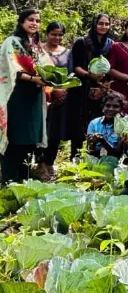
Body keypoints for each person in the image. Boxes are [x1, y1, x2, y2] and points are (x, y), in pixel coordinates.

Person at [0, 9, 49, 183]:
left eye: (37, 20)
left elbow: (47, 67)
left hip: (34, 97)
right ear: (21, 22)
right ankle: (8, 180)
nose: (34, 23)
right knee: (15, 138)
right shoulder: (12, 42)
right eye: (30, 19)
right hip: (17, 96)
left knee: (29, 139)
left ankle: (24, 179)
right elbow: (12, 69)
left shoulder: (36, 45)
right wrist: (34, 78)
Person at [69, 13, 114, 158]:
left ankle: (95, 158)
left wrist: (103, 88)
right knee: (79, 125)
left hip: (102, 91)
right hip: (81, 89)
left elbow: (111, 70)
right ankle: (75, 158)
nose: (104, 27)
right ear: (95, 24)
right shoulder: (82, 42)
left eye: (107, 24)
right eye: (101, 23)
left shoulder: (111, 44)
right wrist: (90, 75)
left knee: (99, 124)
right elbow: (75, 66)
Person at [35, 22, 71, 181]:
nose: (57, 37)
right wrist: (51, 90)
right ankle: (40, 163)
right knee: (40, 130)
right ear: (47, 33)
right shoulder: (38, 50)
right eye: (53, 34)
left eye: (60, 35)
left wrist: (63, 91)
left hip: (60, 99)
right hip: (39, 96)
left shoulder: (67, 53)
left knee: (55, 131)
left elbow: (70, 74)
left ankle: (50, 162)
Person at [86, 92, 126, 159]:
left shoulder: (124, 126)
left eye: (115, 106)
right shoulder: (94, 123)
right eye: (107, 105)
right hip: (96, 161)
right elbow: (89, 151)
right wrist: (92, 142)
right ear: (103, 107)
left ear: (121, 109)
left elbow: (118, 154)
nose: (111, 109)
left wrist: (103, 141)